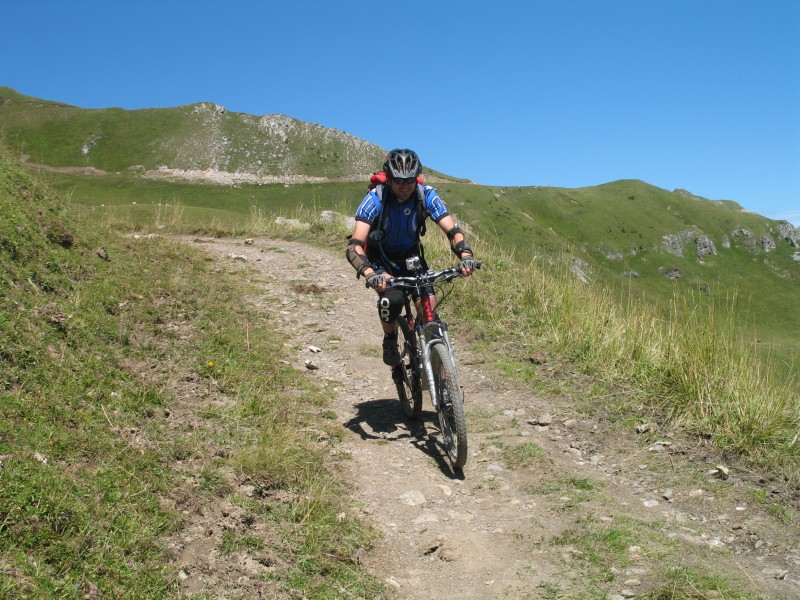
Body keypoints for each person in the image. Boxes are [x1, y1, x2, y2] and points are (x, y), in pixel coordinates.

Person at [346, 148, 479, 366]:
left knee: (430, 312)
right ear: (389, 178)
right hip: (381, 259)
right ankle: (390, 339)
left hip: (412, 257)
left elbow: (453, 231)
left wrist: (465, 255)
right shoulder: (375, 198)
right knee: (392, 300)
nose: (404, 186)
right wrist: (371, 273)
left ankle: (443, 379)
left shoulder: (425, 194)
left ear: (415, 177)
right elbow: (355, 247)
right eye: (398, 180)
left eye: (409, 180)